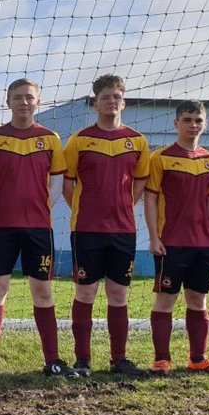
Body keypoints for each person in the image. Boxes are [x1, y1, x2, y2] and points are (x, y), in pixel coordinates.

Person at [0, 78, 75, 378]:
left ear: (38, 102)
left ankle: (52, 360)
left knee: (42, 292)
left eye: (29, 97)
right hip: (1, 226)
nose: (24, 102)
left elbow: (57, 179)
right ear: (8, 102)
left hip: (37, 227)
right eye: (18, 97)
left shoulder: (50, 138)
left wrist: (44, 206)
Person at [63, 74, 150, 377]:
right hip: (86, 230)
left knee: (118, 295)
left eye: (116, 97)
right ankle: (82, 360)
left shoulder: (137, 141)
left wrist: (125, 205)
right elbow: (67, 184)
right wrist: (86, 210)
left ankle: (118, 359)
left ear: (123, 102)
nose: (111, 102)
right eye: (105, 97)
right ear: (95, 103)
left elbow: (140, 181)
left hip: (123, 230)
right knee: (85, 293)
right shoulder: (79, 140)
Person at [144, 100, 209, 374]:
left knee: (198, 300)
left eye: (198, 120)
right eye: (187, 120)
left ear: (205, 123)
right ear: (176, 123)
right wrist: (154, 237)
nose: (193, 125)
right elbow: (150, 200)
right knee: (166, 300)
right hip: (171, 243)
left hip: (202, 244)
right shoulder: (160, 158)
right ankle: (161, 359)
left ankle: (198, 358)